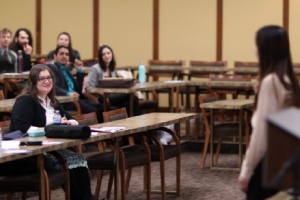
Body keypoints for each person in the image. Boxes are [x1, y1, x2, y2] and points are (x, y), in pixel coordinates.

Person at [8, 64, 94, 200]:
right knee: (67, 161)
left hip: (49, 148)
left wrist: (69, 122)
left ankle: (87, 198)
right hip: (28, 154)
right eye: (41, 79)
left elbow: (72, 120)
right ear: (32, 82)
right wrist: (51, 129)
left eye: (49, 77)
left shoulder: (51, 100)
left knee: (78, 159)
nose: (46, 81)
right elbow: (22, 129)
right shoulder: (25, 101)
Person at [238, 25, 300, 200]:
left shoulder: (270, 82)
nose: (254, 50)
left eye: (257, 45)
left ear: (266, 49)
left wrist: (246, 171)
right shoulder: (289, 79)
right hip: (286, 161)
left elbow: (261, 134)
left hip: (268, 164)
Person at [47, 45, 103, 122]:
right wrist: (68, 93)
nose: (64, 56)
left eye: (67, 54)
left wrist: (79, 71)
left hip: (78, 99)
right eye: (61, 54)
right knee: (94, 111)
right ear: (55, 56)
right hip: (67, 101)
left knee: (102, 107)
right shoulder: (53, 68)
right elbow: (53, 86)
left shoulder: (67, 70)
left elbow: (78, 89)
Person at [87, 45, 141, 116]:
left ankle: (133, 122)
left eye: (108, 53)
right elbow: (90, 88)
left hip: (112, 95)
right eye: (103, 54)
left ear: (112, 54)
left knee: (127, 104)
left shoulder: (112, 68)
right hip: (101, 97)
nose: (106, 56)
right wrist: (101, 93)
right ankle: (141, 118)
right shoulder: (95, 69)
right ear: (100, 57)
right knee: (129, 95)